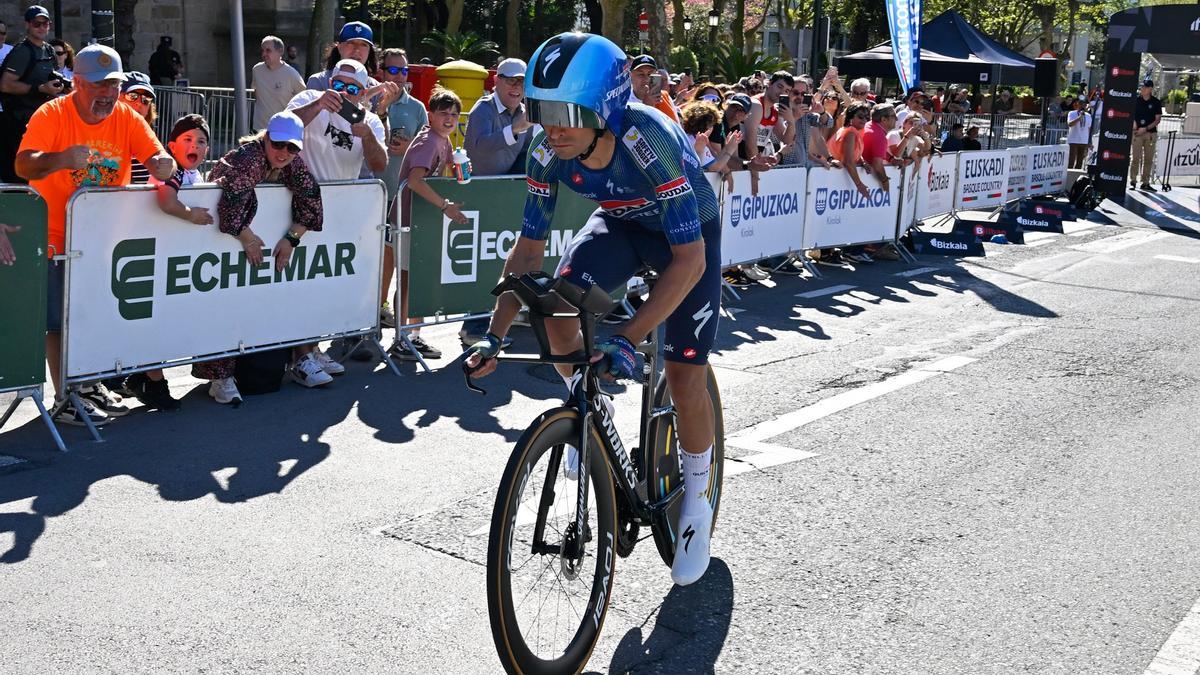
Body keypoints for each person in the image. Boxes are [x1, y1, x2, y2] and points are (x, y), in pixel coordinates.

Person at [465, 33, 722, 587]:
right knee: (554, 306)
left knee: (682, 374)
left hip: (687, 238)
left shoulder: (646, 138)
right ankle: (589, 417)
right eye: (540, 110)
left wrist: (628, 335)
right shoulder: (544, 151)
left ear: (603, 108)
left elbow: (689, 263)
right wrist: (495, 335)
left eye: (564, 113)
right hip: (622, 224)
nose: (550, 126)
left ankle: (698, 492)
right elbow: (528, 253)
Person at [15, 44, 177, 425]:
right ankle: (63, 397)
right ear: (76, 83)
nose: (107, 94)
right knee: (58, 320)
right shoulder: (52, 113)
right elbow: (23, 164)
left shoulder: (125, 116)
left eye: (114, 85)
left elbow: (155, 157)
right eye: (98, 85)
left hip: (103, 237)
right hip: (56, 233)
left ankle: (85, 384)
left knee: (91, 313)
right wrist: (58, 159)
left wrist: (162, 163)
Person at [201, 111, 324, 397]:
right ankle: (220, 377)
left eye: (292, 148)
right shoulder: (249, 159)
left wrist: (292, 238)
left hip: (247, 240)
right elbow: (229, 208)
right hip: (217, 239)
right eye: (278, 144)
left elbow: (312, 197)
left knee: (252, 304)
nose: (284, 153)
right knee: (222, 305)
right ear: (266, 138)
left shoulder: (291, 162)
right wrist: (248, 239)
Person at [284, 58, 386, 382]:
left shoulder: (370, 120)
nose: (343, 93)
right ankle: (301, 357)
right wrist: (318, 104)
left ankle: (313, 348)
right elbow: (283, 127)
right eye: (338, 85)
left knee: (324, 285)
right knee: (300, 284)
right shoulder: (308, 99)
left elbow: (380, 164)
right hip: (300, 202)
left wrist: (367, 136)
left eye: (352, 89)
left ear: (364, 92)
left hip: (340, 211)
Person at [459, 57, 534, 345]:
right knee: (483, 261)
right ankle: (473, 326)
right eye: (510, 80)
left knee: (503, 259)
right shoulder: (483, 109)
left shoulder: (525, 112)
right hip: (481, 195)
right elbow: (476, 149)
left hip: (505, 195)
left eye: (521, 82)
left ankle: (499, 320)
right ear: (497, 81)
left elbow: (524, 155)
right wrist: (514, 129)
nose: (516, 87)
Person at [389, 88, 465, 361]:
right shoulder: (429, 141)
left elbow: (435, 177)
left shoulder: (442, 141)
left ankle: (414, 336)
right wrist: (445, 206)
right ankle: (401, 339)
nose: (449, 119)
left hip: (420, 220)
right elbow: (415, 181)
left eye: (454, 114)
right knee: (408, 281)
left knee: (417, 280)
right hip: (408, 219)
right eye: (443, 113)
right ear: (430, 115)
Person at [376, 47, 426, 331]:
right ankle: (375, 310)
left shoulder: (416, 107)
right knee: (375, 259)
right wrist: (382, 109)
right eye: (393, 70)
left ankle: (401, 323)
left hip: (402, 193)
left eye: (404, 70)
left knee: (397, 258)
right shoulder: (371, 102)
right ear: (382, 72)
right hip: (373, 192)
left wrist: (409, 148)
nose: (399, 76)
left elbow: (430, 146)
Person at [0, 5, 60, 183]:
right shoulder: (22, 51)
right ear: (27, 25)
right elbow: (5, 85)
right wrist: (39, 89)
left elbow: (52, 77)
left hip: (41, 121)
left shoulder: (49, 50)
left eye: (45, 23)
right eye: (37, 23)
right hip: (18, 123)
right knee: (20, 175)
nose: (42, 27)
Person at [251, 35, 306, 131]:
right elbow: (255, 92)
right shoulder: (257, 70)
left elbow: (304, 98)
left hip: (281, 130)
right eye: (262, 50)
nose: (264, 54)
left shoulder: (291, 74)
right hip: (259, 129)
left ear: (280, 51)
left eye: (268, 50)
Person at [743, 71, 794, 160]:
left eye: (786, 91)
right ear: (769, 83)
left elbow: (786, 141)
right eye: (779, 87)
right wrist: (755, 172)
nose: (781, 93)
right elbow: (750, 146)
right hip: (742, 164)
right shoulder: (756, 105)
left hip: (752, 163)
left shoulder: (774, 110)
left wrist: (791, 121)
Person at [120, 72, 157, 184]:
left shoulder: (149, 136)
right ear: (117, 97)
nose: (139, 103)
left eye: (145, 99)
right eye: (132, 96)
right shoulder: (106, 132)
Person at [1130, 79, 1162, 192]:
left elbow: (1158, 119)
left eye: (1145, 87)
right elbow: (1131, 115)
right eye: (1141, 87)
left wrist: (1146, 128)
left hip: (1150, 134)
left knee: (1148, 159)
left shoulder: (1156, 102)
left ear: (1150, 89)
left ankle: (1145, 182)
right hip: (1137, 133)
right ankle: (1133, 181)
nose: (1142, 89)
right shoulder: (1136, 101)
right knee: (1135, 158)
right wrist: (1135, 126)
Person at [629, 54, 679, 124]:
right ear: (631, 76)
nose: (646, 79)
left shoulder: (664, 97)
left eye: (650, 74)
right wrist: (647, 106)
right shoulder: (625, 101)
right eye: (641, 74)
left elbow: (676, 129)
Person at [1066, 97, 1091, 170]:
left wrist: (1089, 142)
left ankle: (1076, 179)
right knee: (1071, 162)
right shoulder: (1072, 113)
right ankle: (1069, 178)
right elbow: (1070, 124)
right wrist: (1079, 117)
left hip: (1084, 141)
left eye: (1084, 104)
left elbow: (1089, 129)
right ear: (1078, 104)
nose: (1082, 106)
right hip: (1073, 141)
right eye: (1081, 104)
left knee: (1080, 163)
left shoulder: (1089, 116)